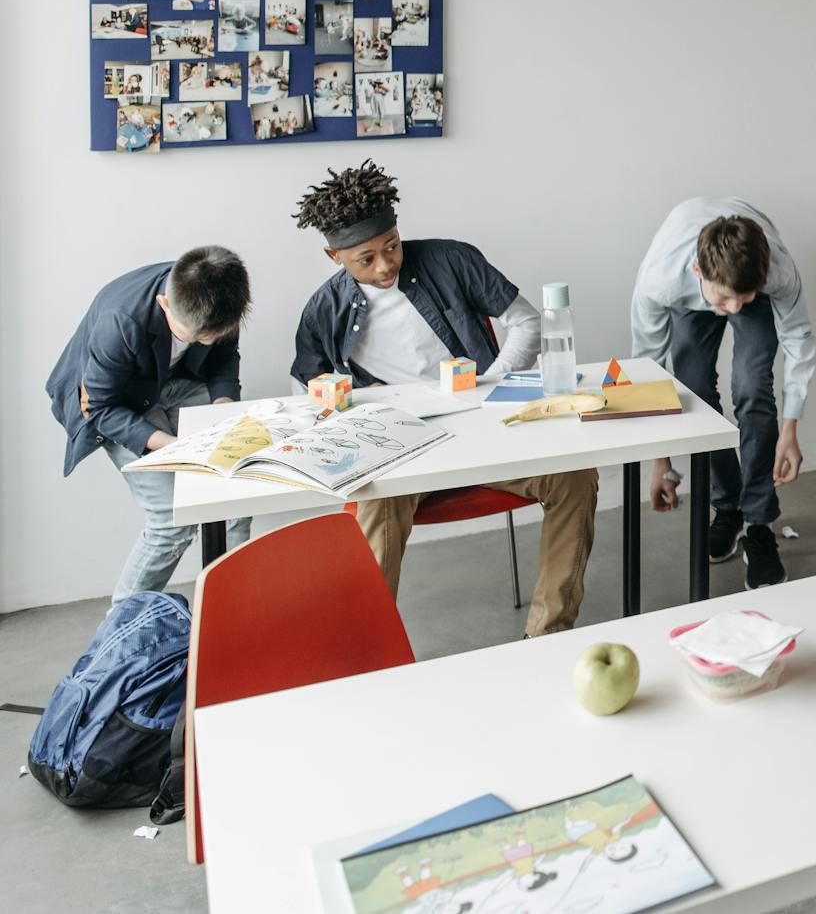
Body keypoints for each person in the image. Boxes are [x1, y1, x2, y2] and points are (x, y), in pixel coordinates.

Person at [290, 161, 598, 636]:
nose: (385, 265)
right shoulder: (323, 309)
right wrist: (350, 405)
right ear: (335, 256)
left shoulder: (450, 259)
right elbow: (306, 392)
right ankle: (371, 648)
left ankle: (546, 635)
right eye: (365, 259)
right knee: (377, 502)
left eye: (391, 246)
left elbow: (528, 323)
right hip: (401, 451)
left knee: (574, 475)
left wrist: (489, 385)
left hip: (485, 432)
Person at [46, 248, 255, 602]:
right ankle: (121, 620)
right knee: (172, 521)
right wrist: (174, 446)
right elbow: (100, 408)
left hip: (177, 381)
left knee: (234, 496)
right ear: (164, 304)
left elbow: (223, 356)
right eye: (196, 336)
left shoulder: (221, 293)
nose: (206, 341)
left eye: (216, 333)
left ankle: (231, 604)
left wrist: (221, 409)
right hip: (119, 403)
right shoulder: (120, 321)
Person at [631, 199, 814, 590]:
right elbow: (647, 371)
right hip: (688, 295)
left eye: (741, 299)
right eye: (723, 299)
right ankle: (727, 507)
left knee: (752, 387)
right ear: (698, 271)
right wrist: (660, 461)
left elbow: (798, 339)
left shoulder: (776, 271)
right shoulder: (660, 280)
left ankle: (759, 524)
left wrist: (790, 429)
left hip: (739, 281)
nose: (732, 309)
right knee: (693, 391)